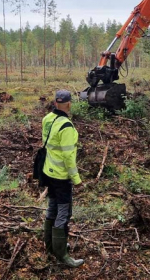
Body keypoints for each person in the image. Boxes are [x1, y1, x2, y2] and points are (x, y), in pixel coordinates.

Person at [41, 89, 84, 268]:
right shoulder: (66, 126)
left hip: (48, 172)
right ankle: (62, 255)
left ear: (55, 102)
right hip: (61, 176)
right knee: (63, 212)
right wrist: (76, 178)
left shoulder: (47, 119)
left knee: (52, 207)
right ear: (68, 104)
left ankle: (51, 246)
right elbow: (68, 156)